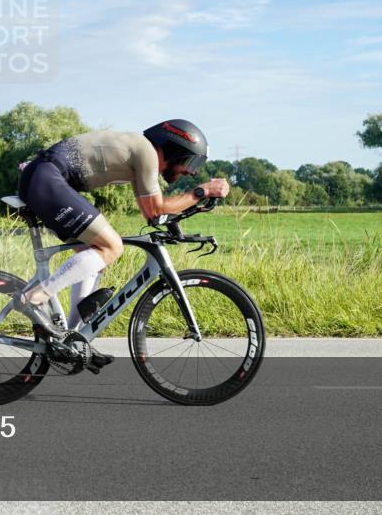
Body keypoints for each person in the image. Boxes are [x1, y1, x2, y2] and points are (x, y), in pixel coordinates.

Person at [15, 119, 230, 370]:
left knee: (93, 257)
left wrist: (180, 220)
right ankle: (36, 297)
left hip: (42, 178)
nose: (190, 172)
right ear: (174, 150)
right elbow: (156, 210)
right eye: (190, 163)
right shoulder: (146, 152)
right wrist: (202, 191)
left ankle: (73, 340)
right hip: (45, 177)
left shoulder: (139, 155)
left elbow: (153, 215)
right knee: (111, 247)